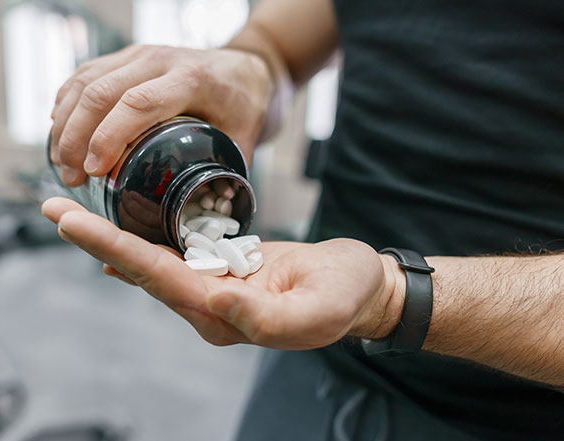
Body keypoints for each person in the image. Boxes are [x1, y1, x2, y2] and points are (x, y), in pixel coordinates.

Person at [42, 0, 564, 439]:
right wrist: (248, 69)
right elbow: (276, 43)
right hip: (310, 355)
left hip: (502, 413)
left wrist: (391, 295)